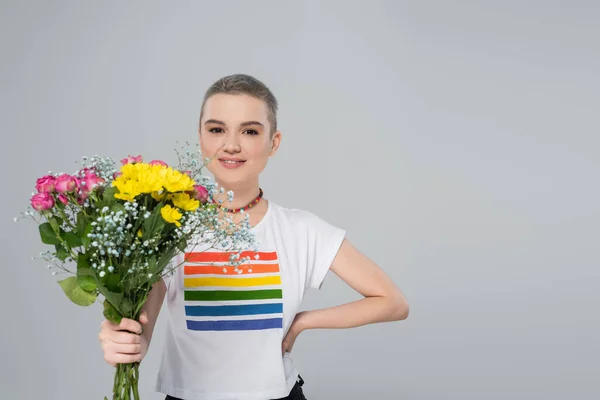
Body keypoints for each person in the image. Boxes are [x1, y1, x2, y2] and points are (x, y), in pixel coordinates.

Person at [98, 74, 410, 400]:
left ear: (274, 143)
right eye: (217, 129)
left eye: (249, 131)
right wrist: (125, 342)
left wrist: (304, 321)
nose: (231, 144)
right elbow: (141, 331)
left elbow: (393, 303)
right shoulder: (166, 227)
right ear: (200, 137)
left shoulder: (302, 231)